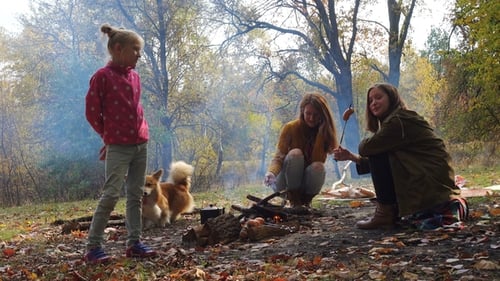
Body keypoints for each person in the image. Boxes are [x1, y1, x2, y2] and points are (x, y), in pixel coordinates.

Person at [333, 83, 468, 230]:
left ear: (392, 98)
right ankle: (389, 212)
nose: (374, 103)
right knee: (378, 151)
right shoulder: (398, 120)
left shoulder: (399, 121)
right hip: (428, 180)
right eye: (370, 100)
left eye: (378, 97)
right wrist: (351, 156)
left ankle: (385, 213)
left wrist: (364, 147)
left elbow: (366, 148)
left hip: (429, 180)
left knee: (376, 149)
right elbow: (383, 163)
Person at [84, 24, 156, 263]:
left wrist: (141, 132)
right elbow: (92, 113)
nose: (139, 54)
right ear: (118, 48)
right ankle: (93, 247)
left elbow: (136, 109)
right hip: (118, 146)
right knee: (111, 194)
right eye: (135, 49)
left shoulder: (135, 76)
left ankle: (134, 243)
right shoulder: (102, 77)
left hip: (141, 144)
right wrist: (108, 137)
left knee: (135, 195)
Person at [264, 93, 338, 207]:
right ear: (302, 111)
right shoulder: (290, 128)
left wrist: (321, 133)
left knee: (319, 166)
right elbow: (278, 157)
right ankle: (294, 199)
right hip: (284, 183)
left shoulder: (324, 133)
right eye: (308, 113)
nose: (311, 118)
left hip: (305, 184)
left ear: (322, 115)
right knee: (295, 153)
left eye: (316, 115)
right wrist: (271, 172)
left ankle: (305, 201)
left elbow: (317, 161)